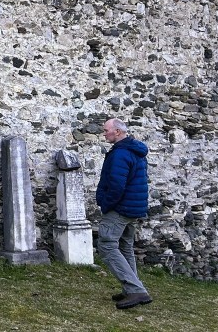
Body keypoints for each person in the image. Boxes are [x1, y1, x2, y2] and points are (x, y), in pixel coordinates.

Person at [96, 118, 152, 310]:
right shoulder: (136, 151)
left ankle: (135, 289)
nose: (104, 134)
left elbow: (117, 185)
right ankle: (132, 288)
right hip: (133, 207)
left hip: (121, 208)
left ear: (118, 132)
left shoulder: (120, 154)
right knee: (124, 246)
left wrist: (105, 203)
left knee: (106, 244)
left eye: (106, 131)